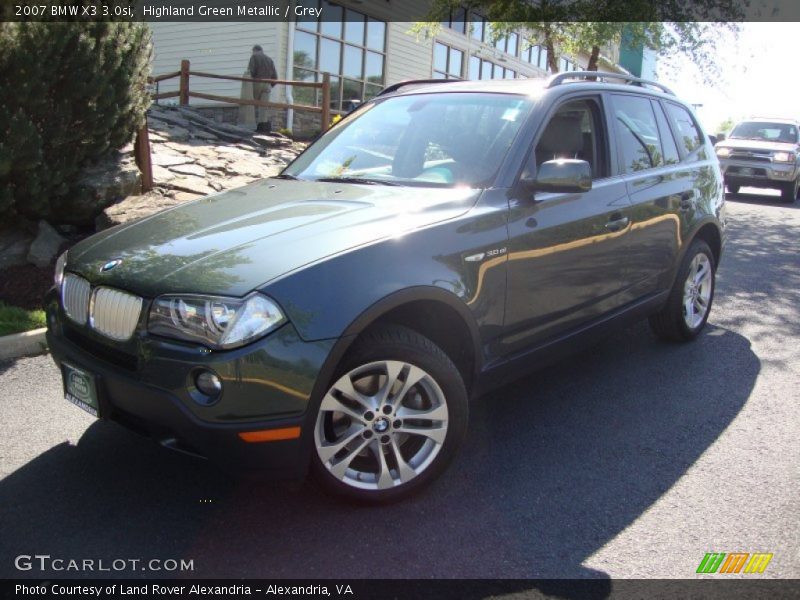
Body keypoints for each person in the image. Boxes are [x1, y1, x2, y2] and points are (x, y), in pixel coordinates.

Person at [247, 45, 277, 133]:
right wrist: (271, 85)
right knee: (264, 107)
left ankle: (250, 124)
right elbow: (275, 76)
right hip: (267, 84)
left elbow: (251, 71)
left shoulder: (254, 57)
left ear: (255, 50)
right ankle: (262, 127)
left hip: (257, 82)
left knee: (251, 103)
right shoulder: (269, 60)